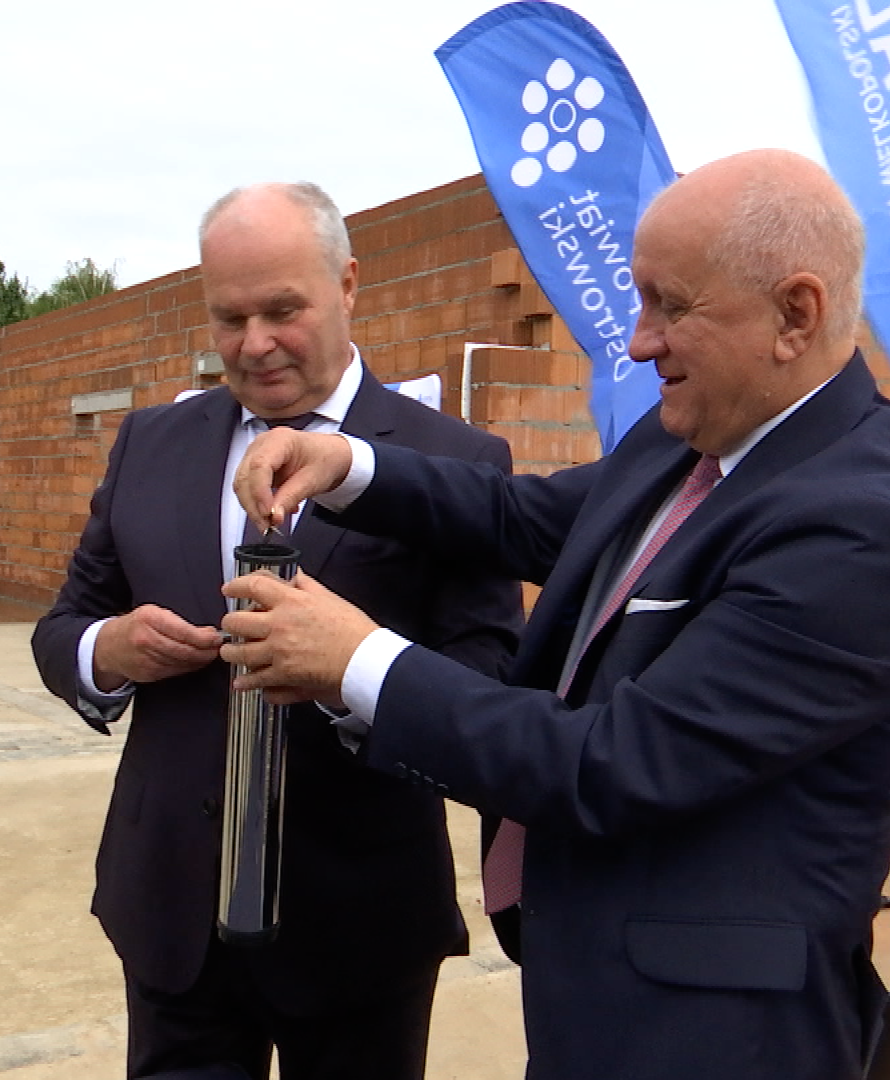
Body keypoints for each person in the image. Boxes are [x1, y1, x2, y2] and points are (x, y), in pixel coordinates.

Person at [220, 150, 890, 1079]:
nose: (640, 343)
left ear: (795, 314)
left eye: (670, 305)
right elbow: (522, 517)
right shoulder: (693, 439)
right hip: (595, 993)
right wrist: (347, 466)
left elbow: (612, 763)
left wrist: (358, 660)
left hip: (708, 1040)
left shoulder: (863, 535)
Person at [30, 182, 522, 1080]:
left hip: (359, 922)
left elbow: (488, 668)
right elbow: (64, 625)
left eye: (282, 311)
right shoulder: (151, 443)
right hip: (171, 909)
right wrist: (110, 652)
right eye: (230, 318)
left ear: (348, 284)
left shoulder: (453, 462)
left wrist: (350, 673)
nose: (254, 344)